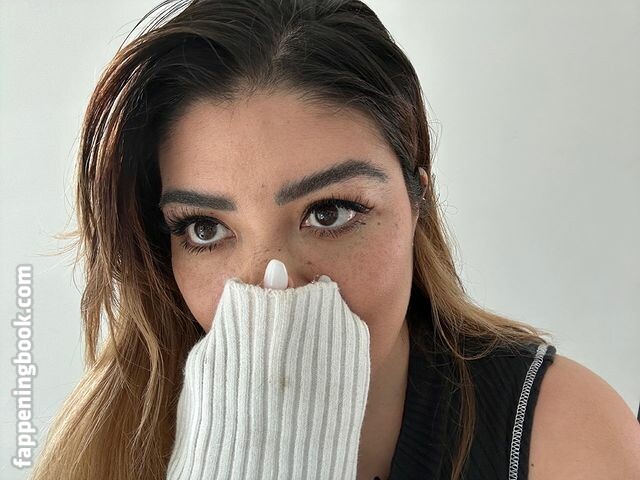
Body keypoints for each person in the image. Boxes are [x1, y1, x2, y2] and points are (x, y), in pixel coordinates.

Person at [31, 0, 640, 479]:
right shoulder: (107, 443)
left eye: (329, 213)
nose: (273, 287)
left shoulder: (558, 432)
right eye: (205, 229)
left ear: (417, 203)